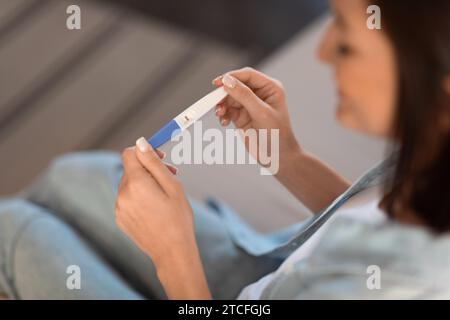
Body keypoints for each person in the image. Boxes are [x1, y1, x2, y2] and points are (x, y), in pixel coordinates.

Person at [1, 0, 449, 299]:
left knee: (10, 226)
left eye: (347, 42)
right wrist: (286, 157)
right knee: (76, 176)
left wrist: (173, 254)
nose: (323, 53)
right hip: (274, 278)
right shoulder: (436, 150)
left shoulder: (408, 282)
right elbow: (374, 216)